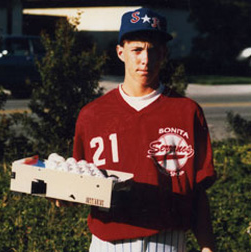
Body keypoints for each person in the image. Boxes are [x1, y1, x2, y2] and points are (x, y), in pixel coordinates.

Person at [73, 8, 216, 252]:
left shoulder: (187, 111)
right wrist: (61, 196)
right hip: (108, 242)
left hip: (167, 241)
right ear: (121, 52)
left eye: (153, 50)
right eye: (137, 49)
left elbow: (198, 190)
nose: (145, 59)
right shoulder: (92, 114)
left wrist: (208, 246)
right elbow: (77, 183)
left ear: (164, 53)